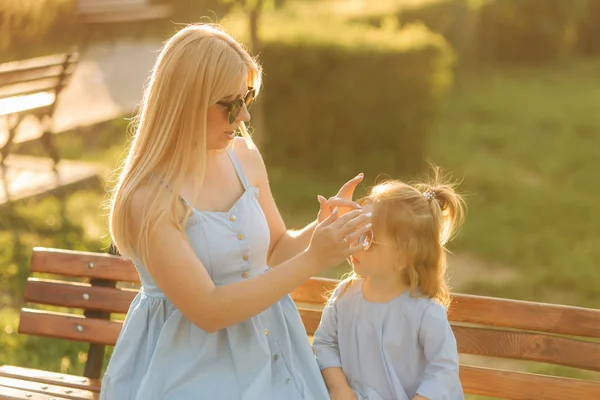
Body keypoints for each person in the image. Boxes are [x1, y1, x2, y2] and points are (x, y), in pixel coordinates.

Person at [101, 24, 371, 399]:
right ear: (188, 101)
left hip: (269, 352)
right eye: (231, 103)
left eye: (246, 99)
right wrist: (314, 259)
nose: (243, 117)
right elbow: (208, 310)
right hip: (185, 368)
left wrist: (325, 228)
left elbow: (277, 249)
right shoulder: (147, 198)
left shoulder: (244, 158)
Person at [313, 173, 466, 400]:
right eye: (355, 230)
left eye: (368, 237)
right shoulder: (344, 296)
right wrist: (339, 388)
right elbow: (325, 343)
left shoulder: (423, 312)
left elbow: (443, 371)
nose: (355, 242)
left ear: (403, 256)